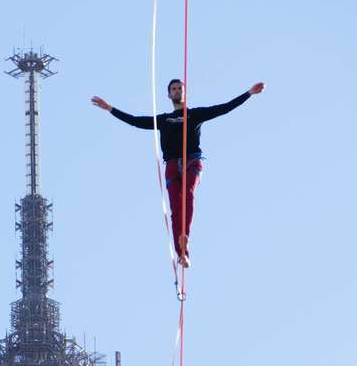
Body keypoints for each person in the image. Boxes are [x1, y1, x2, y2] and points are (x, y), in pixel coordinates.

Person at [91, 79, 265, 267]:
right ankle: (182, 253)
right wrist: (110, 109)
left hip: (192, 161)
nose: (177, 90)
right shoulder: (164, 120)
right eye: (173, 89)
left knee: (188, 194)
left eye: (180, 88)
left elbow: (224, 108)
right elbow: (136, 121)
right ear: (168, 94)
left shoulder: (195, 114)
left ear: (184, 92)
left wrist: (248, 93)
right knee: (175, 208)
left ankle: (185, 237)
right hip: (172, 166)